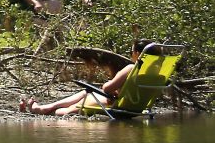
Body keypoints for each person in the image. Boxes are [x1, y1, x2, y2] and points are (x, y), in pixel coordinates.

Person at [19, 40, 152, 115]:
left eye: (131, 51)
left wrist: (112, 85)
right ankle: (46, 107)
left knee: (69, 110)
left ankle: (41, 109)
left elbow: (107, 89)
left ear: (137, 53)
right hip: (136, 107)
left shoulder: (131, 69)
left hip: (119, 107)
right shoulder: (157, 73)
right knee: (87, 92)